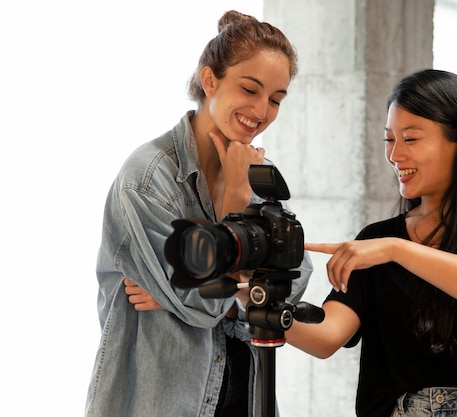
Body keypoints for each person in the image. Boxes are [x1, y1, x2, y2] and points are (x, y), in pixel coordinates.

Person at [85, 10, 312, 417]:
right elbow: (201, 304)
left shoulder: (257, 170)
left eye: (276, 99)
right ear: (210, 80)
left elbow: (293, 282)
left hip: (246, 398)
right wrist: (237, 213)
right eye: (250, 89)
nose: (262, 111)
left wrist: (212, 292)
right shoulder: (147, 178)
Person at [286, 69, 457, 417]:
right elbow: (328, 336)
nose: (395, 155)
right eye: (389, 140)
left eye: (410, 139)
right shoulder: (375, 241)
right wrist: (260, 303)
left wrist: (398, 250)